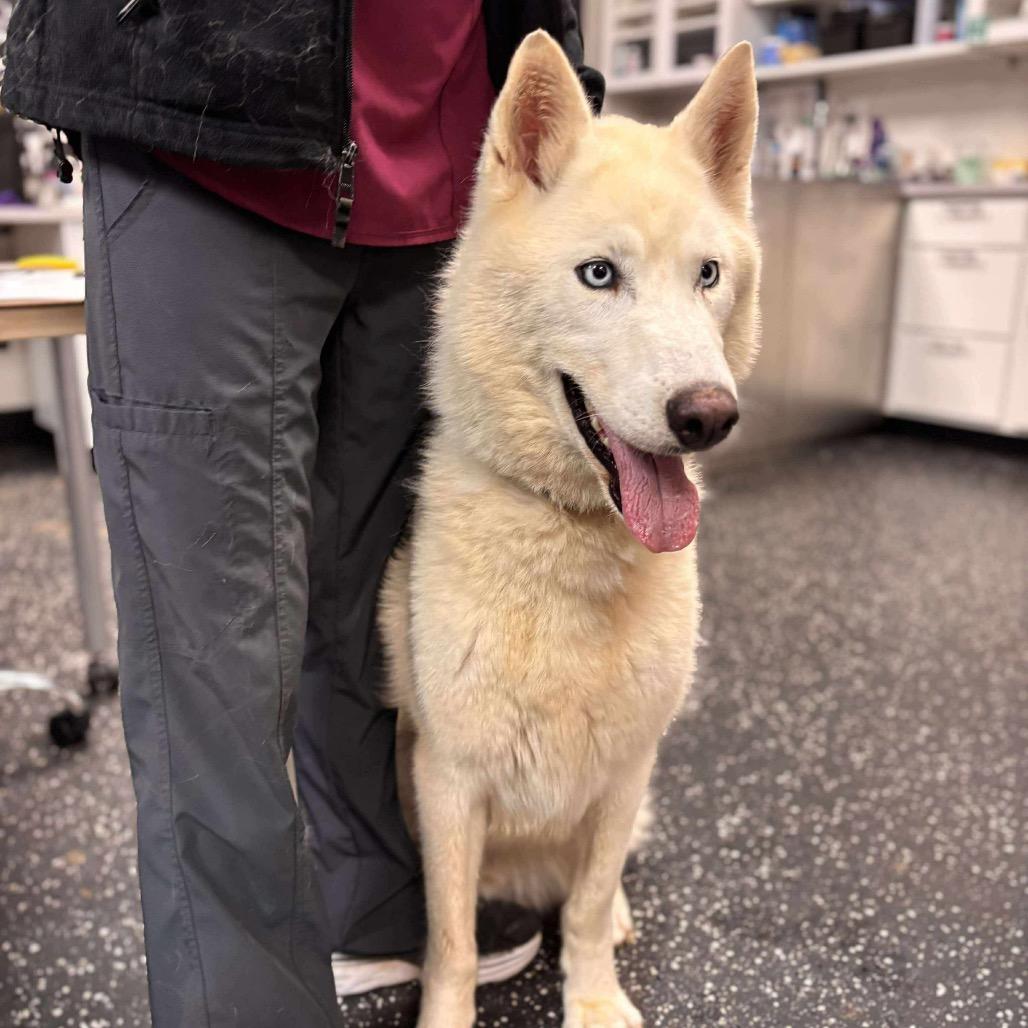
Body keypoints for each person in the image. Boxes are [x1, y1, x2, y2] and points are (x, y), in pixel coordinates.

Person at [2, 3, 603, 1026]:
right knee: (213, 660)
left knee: (388, 600)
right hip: (198, 122)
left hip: (455, 165)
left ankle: (378, 903)